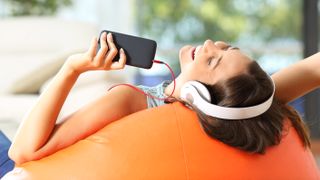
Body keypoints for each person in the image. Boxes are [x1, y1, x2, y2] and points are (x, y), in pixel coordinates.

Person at [7, 31, 316, 165]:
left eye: (213, 61)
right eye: (225, 48)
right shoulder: (238, 107)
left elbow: (22, 153)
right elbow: (312, 71)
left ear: (199, 96)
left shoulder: (131, 102)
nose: (211, 44)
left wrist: (72, 68)